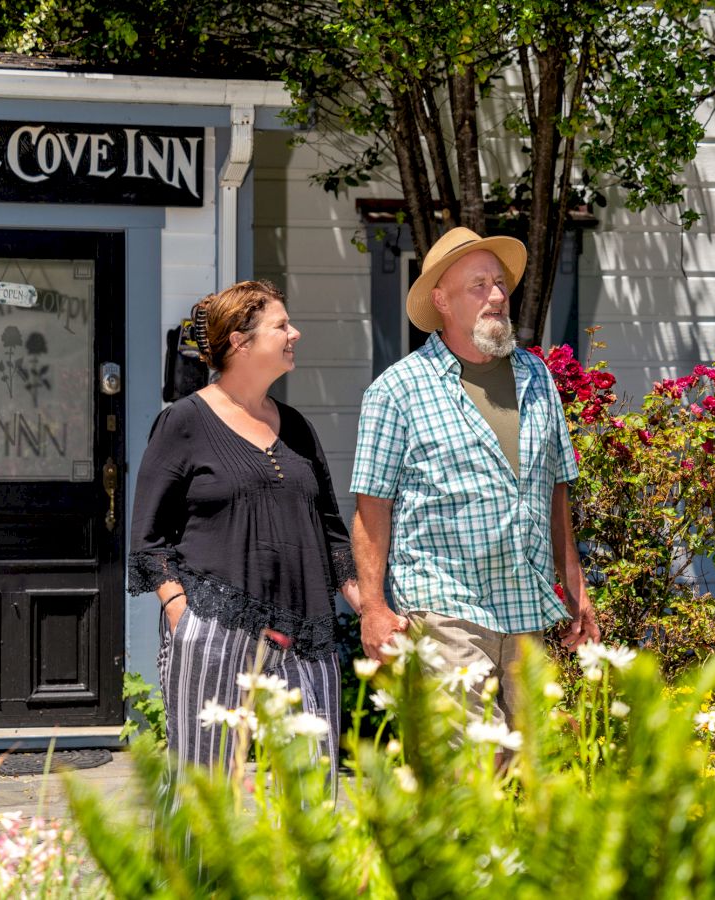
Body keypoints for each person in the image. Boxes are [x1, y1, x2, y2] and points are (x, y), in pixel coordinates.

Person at [350, 227, 600, 725]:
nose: (497, 296)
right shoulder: (397, 391)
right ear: (441, 300)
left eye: (500, 284)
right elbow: (370, 508)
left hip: (524, 605)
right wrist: (373, 608)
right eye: (478, 286)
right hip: (444, 608)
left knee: (532, 768)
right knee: (466, 774)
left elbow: (556, 491)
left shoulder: (536, 376)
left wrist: (576, 588)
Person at [129, 280, 361, 772]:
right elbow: (149, 537)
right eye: (281, 325)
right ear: (240, 340)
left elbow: (331, 530)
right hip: (215, 626)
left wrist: (370, 605)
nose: (294, 333)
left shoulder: (296, 426)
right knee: (203, 794)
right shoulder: (184, 421)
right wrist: (181, 613)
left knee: (313, 786)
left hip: (305, 631)